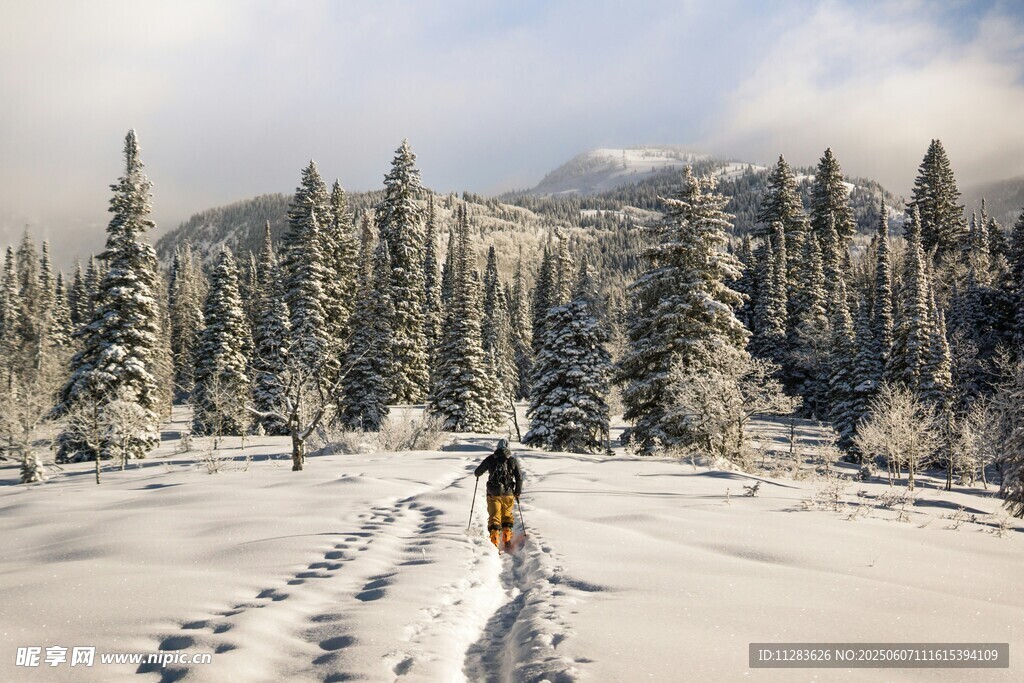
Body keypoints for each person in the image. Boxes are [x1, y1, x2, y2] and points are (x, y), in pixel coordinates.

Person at [474, 438, 523, 549]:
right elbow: (519, 478)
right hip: (508, 493)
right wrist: (517, 492)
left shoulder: (490, 459)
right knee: (507, 516)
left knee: (494, 517)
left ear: (497, 447)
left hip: (493, 493)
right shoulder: (512, 460)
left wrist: (478, 475)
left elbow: (477, 472)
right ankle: (506, 537)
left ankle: (494, 541)